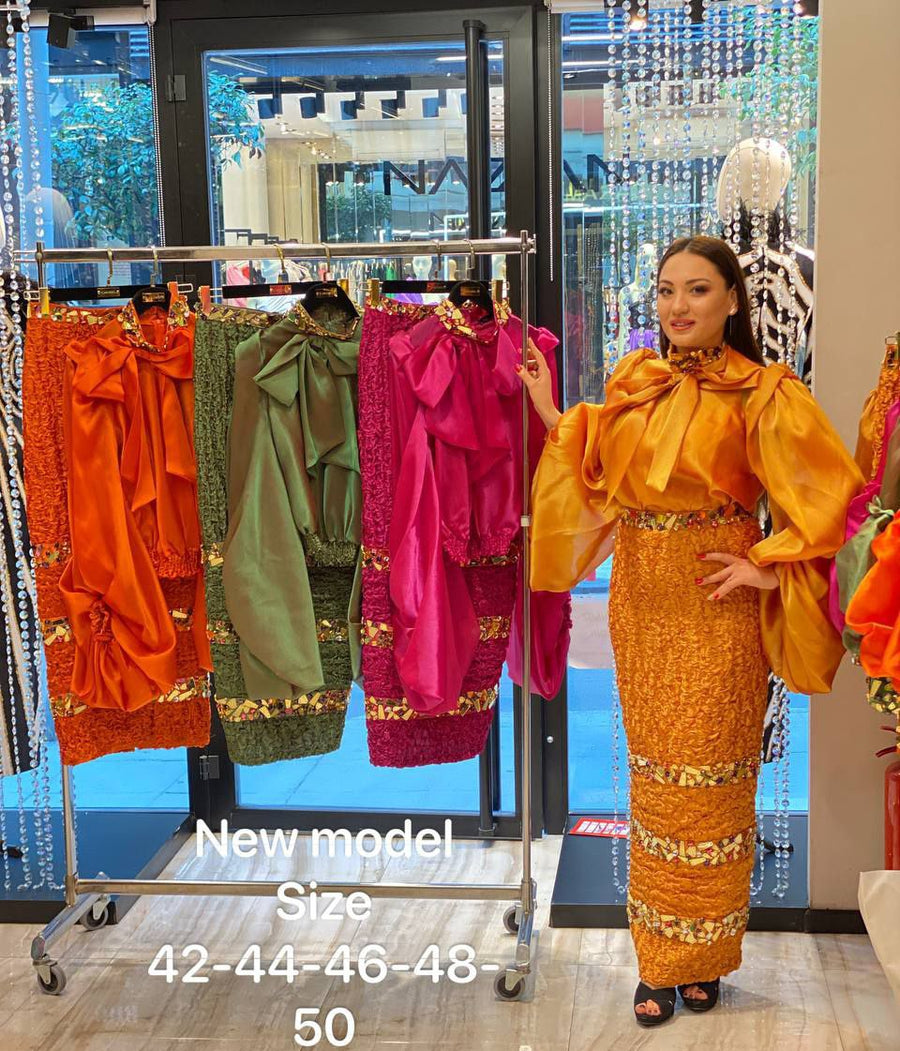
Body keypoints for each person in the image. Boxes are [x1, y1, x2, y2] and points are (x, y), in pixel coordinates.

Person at [517, 235, 862, 1027]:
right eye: (667, 290)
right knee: (656, 783)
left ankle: (702, 955)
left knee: (712, 787)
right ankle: (656, 960)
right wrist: (546, 407)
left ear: (733, 299)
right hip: (643, 602)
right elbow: (598, 466)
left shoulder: (766, 393)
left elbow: (836, 506)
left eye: (698, 290)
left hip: (718, 610)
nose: (677, 306)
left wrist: (767, 569)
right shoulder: (635, 379)